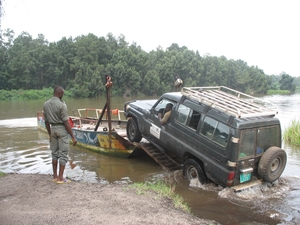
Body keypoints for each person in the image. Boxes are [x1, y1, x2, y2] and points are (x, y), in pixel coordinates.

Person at [43, 86, 77, 184]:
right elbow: (66, 122)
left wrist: (50, 133)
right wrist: (73, 137)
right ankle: (61, 178)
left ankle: (55, 176)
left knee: (54, 153)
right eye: (63, 94)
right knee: (63, 154)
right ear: (60, 93)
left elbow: (46, 122)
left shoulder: (46, 104)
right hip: (61, 130)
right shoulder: (62, 105)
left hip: (52, 129)